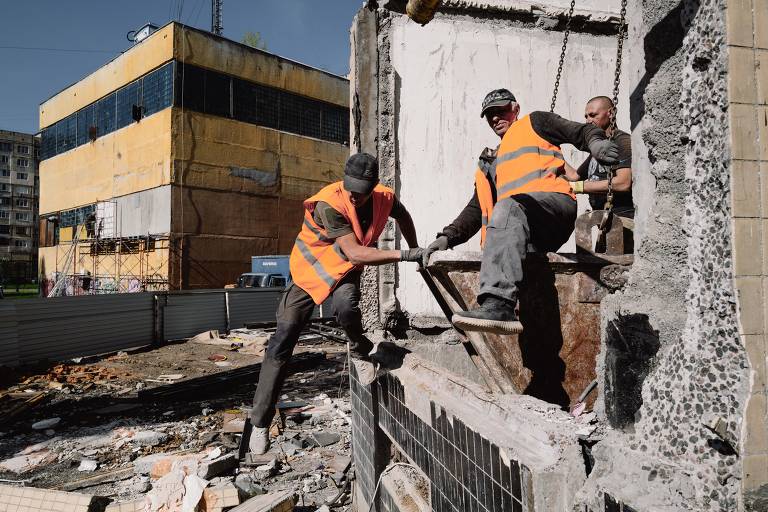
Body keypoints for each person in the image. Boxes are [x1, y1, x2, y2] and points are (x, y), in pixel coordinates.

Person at [248, 153, 423, 454]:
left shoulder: (384, 198)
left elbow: (403, 216)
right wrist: (406, 256)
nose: (354, 195)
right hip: (310, 272)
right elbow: (356, 253)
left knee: (347, 307)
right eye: (350, 187)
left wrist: (415, 245)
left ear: (374, 187)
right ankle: (260, 422)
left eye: (361, 190)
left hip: (343, 273)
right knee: (282, 340)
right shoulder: (330, 203)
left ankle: (359, 348)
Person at [422, 89, 619, 334]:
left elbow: (580, 130)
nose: (495, 118)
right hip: (522, 225)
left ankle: (498, 304)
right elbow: (476, 207)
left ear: (515, 108)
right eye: (489, 115)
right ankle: (518, 319)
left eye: (501, 110)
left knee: (508, 206)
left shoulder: (536, 122)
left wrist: (597, 143)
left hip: (554, 208)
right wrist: (447, 237)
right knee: (510, 220)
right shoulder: (492, 161)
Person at [556, 96, 634, 218]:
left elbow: (623, 183)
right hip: (604, 219)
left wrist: (580, 187)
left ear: (611, 113)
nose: (588, 121)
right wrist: (554, 153)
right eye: (586, 116)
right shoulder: (599, 147)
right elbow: (574, 177)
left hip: (623, 218)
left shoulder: (622, 141)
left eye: (593, 115)